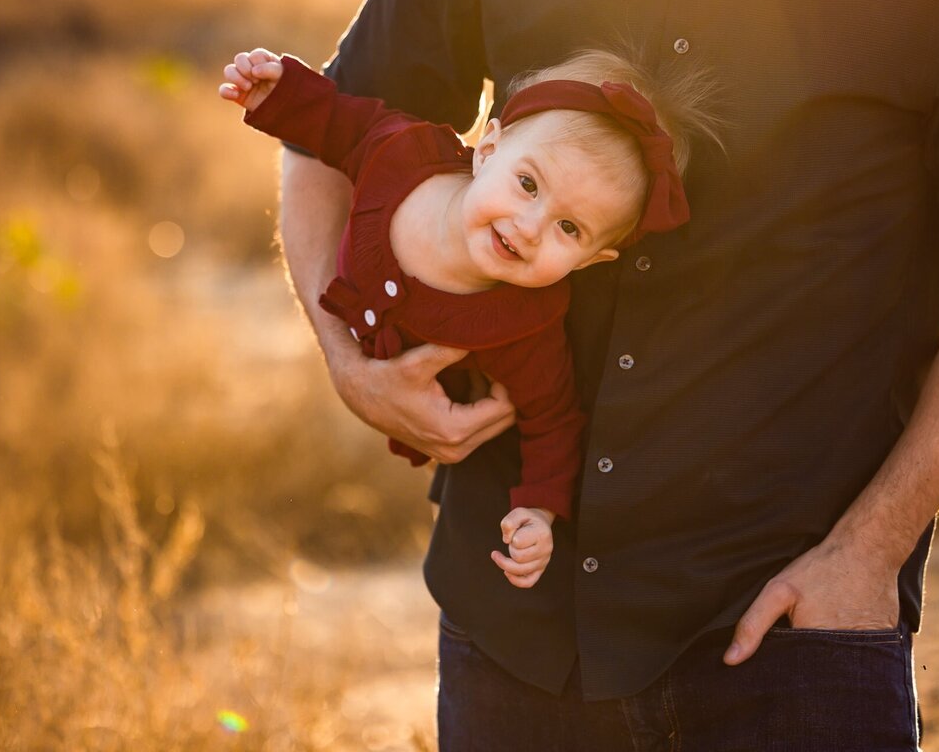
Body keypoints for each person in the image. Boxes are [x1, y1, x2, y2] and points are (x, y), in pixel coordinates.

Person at [277, 0, 939, 748]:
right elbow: (334, 129)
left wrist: (868, 552)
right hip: (515, 617)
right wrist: (351, 364)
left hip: (789, 623)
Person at [223, 45, 715, 588]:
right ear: (488, 150)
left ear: (592, 261)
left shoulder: (521, 325)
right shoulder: (402, 153)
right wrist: (280, 92)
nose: (529, 226)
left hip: (426, 433)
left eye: (569, 229)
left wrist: (539, 512)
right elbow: (340, 123)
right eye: (528, 184)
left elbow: (554, 420)